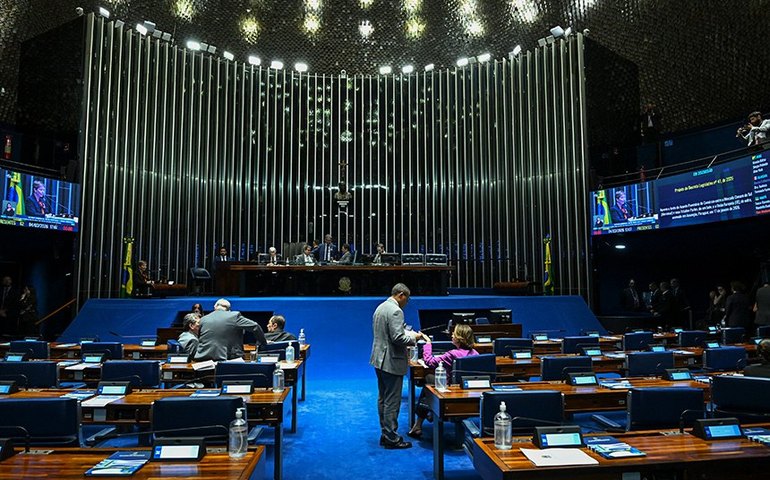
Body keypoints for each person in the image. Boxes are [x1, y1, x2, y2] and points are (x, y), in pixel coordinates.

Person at [369, 283, 420, 449]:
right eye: (407, 298)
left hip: (378, 359)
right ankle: (392, 437)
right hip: (391, 360)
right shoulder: (396, 311)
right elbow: (398, 338)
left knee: (383, 398)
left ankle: (385, 433)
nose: (407, 302)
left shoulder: (380, 307)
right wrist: (414, 337)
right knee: (392, 400)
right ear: (401, 295)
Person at [407, 324, 478, 439]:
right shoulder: (475, 354)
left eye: (454, 333)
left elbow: (429, 361)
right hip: (468, 391)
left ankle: (420, 421)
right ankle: (426, 414)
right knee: (430, 381)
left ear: (459, 338)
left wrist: (428, 343)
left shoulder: (452, 354)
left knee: (429, 379)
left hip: (450, 392)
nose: (452, 335)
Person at [194, 298, 267, 361]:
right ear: (228, 309)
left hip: (202, 358)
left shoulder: (203, 319)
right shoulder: (234, 316)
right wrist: (263, 344)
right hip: (227, 358)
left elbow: (199, 337)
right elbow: (255, 326)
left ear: (215, 307)